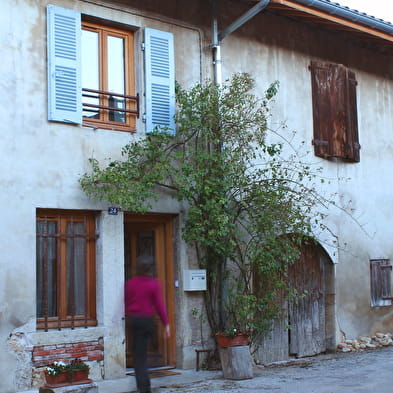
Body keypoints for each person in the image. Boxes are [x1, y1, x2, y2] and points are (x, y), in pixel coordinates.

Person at [125, 255, 170, 393]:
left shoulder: (131, 283)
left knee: (139, 355)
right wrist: (166, 324)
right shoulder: (154, 283)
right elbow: (159, 305)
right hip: (147, 321)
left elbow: (126, 302)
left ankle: (143, 385)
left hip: (134, 320)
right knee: (143, 353)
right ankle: (145, 387)